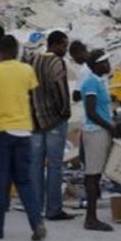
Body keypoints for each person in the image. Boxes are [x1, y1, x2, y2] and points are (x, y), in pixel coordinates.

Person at [0, 35, 45, 241]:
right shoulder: (27, 70)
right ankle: (36, 223)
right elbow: (32, 96)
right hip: (23, 129)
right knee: (24, 180)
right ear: (16, 51)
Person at [26, 30, 74, 222]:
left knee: (35, 164)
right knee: (54, 166)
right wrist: (65, 112)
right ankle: (53, 209)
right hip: (54, 120)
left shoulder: (32, 60)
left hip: (35, 120)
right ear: (57, 44)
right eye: (65, 45)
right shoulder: (56, 62)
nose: (66, 49)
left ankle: (35, 206)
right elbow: (61, 89)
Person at [80, 50, 115, 231]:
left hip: (99, 131)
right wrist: (111, 127)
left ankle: (91, 216)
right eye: (105, 62)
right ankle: (91, 218)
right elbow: (91, 112)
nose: (108, 66)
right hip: (96, 132)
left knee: (94, 175)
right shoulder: (92, 82)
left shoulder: (99, 81)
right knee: (92, 175)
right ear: (96, 65)